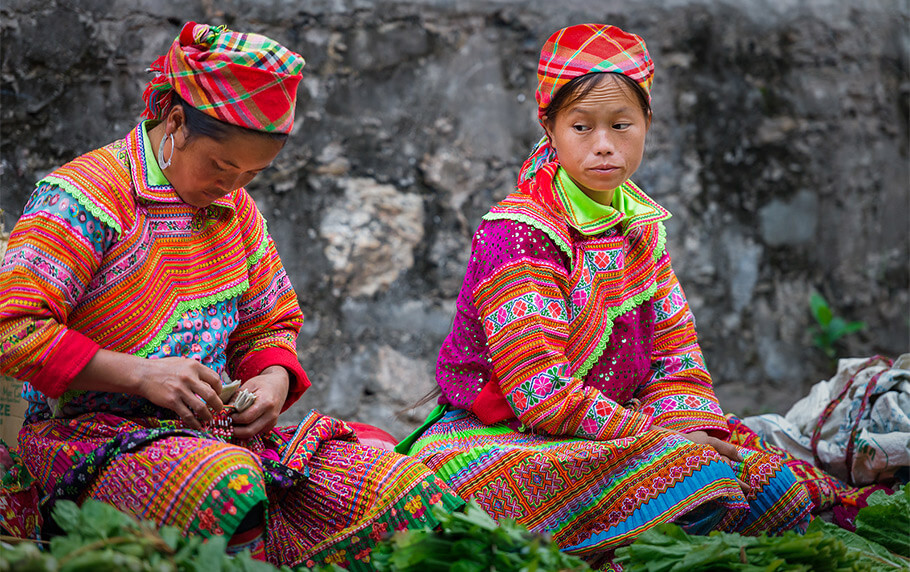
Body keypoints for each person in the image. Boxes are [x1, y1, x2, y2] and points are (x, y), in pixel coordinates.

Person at [0, 21, 462, 569]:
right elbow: (14, 331)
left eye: (252, 173)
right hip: (88, 440)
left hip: (211, 436)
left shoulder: (235, 210)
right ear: (174, 120)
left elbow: (270, 322)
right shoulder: (83, 198)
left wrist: (273, 379)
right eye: (221, 165)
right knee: (226, 486)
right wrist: (141, 375)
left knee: (392, 481)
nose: (233, 184)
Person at [397, 23, 813, 568]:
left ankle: (641, 520)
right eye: (581, 126)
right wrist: (665, 444)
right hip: (501, 439)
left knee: (778, 489)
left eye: (621, 125)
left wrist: (688, 428)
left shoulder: (640, 226)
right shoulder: (519, 233)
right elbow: (543, 396)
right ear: (548, 126)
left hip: (610, 432)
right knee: (696, 475)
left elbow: (676, 359)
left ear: (647, 124)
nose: (603, 145)